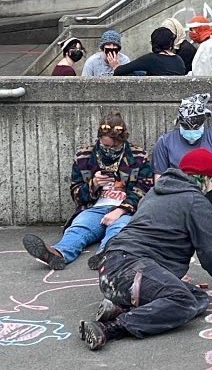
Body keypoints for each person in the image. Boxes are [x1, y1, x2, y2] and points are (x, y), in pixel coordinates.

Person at [81, 148, 212, 351]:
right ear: (206, 179)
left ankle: (117, 307)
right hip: (131, 270)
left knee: (197, 298)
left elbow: (166, 226)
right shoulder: (196, 201)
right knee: (183, 302)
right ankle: (110, 327)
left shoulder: (156, 192)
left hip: (113, 268)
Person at [21, 111, 153, 270]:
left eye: (114, 146)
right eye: (105, 145)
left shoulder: (139, 156)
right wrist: (94, 184)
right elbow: (76, 193)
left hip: (125, 210)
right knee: (79, 227)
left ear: (122, 140)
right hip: (94, 208)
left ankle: (107, 254)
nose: (109, 149)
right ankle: (57, 253)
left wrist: (121, 210)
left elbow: (145, 190)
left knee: (120, 229)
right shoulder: (84, 156)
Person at [149, 93, 212, 231]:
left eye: (195, 127)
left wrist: (204, 201)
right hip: (176, 201)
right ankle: (204, 231)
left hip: (209, 200)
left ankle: (187, 231)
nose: (192, 131)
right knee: (148, 207)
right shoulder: (165, 142)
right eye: (187, 127)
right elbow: (159, 182)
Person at [113, 27, 187, 77]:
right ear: (171, 43)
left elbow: (120, 71)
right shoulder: (179, 59)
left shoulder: (151, 59)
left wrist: (116, 66)